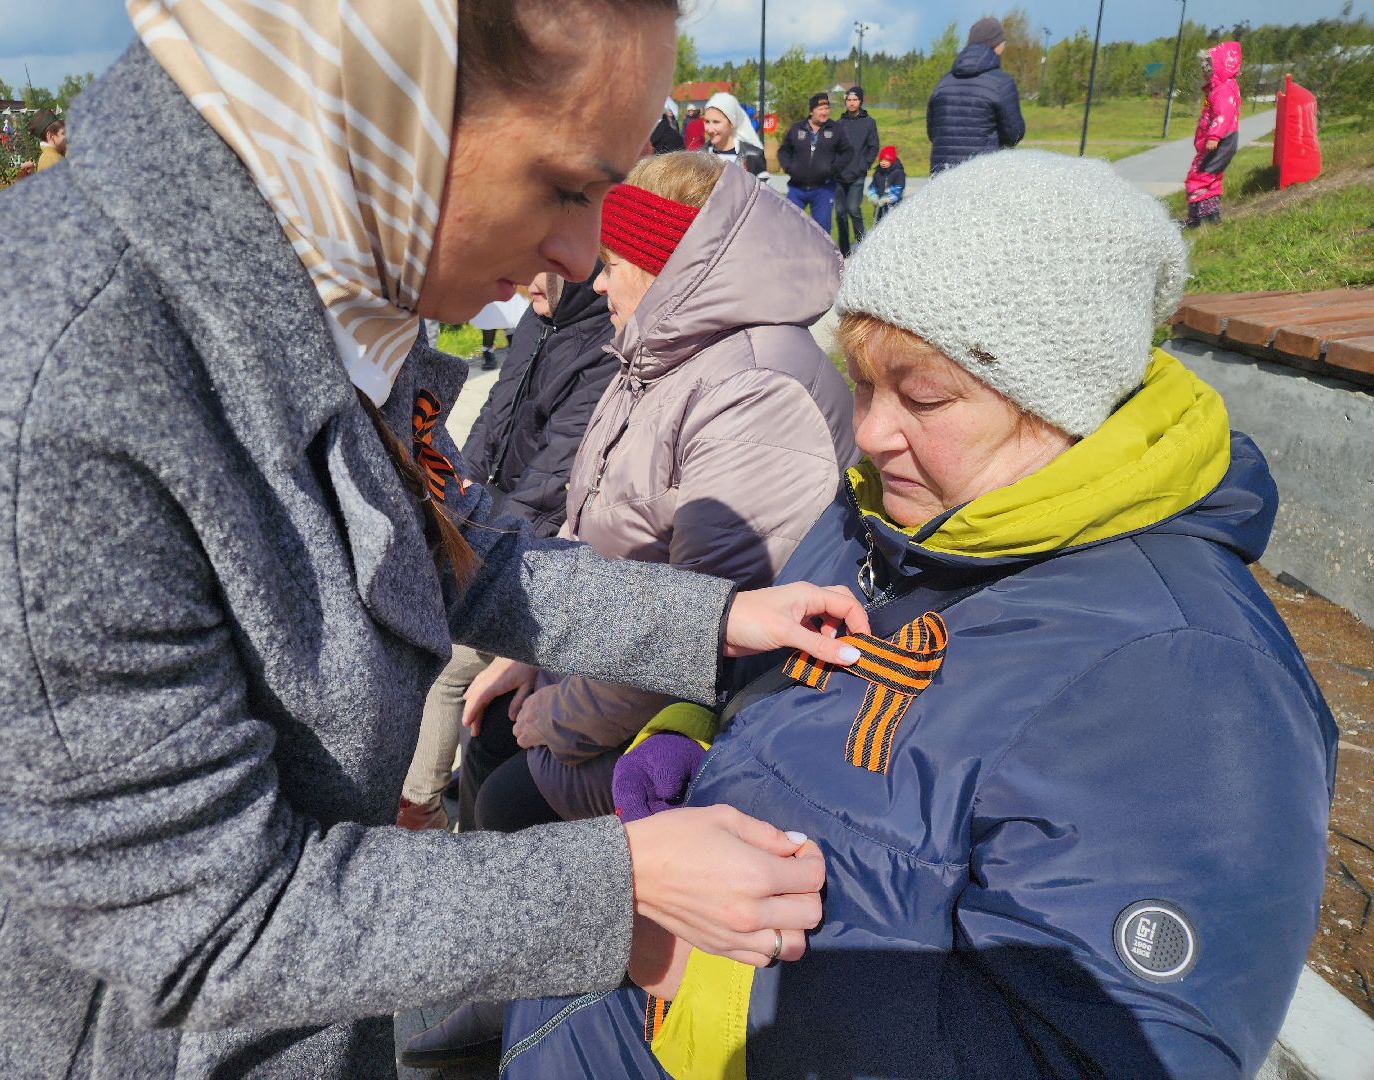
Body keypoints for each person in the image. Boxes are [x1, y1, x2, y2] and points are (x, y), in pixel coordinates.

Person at [0, 2, 878, 1077]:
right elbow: (208, 923)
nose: (581, 256)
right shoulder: (49, 388)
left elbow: (453, 549)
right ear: (390, 103)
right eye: (568, 188)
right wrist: (619, 885)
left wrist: (716, 617)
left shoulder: (337, 285)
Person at [502, 150, 1337, 1080]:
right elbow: (782, 705)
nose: (868, 431)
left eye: (924, 396)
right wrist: (687, 734)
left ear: (1062, 400)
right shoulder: (889, 512)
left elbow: (1093, 1051)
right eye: (861, 382)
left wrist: (706, 976)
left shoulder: (1189, 678)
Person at [403, 148, 854, 1068]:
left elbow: (708, 631)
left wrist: (559, 717)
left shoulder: (747, 387)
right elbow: (587, 532)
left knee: (507, 791)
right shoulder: (656, 357)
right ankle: (507, 994)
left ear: (667, 264)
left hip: (677, 718)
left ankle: (532, 1009)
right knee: (488, 739)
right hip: (608, 667)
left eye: (611, 261)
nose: (591, 278)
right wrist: (527, 655)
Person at [397, 266, 620, 832]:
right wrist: (450, 499)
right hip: (490, 521)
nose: (526, 282)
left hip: (533, 540)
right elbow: (491, 414)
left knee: (447, 661)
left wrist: (476, 539)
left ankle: (419, 807)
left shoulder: (604, 344)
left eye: (546, 272)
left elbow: (553, 475)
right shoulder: (536, 323)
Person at [926, 16, 1025, 173]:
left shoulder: (943, 83)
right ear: (997, 44)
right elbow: (1014, 135)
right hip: (982, 176)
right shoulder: (1001, 83)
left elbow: (933, 133)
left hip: (942, 177)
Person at [776, 91, 854, 234]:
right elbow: (784, 150)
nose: (825, 112)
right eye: (820, 109)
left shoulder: (836, 129)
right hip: (796, 189)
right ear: (811, 111)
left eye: (827, 108)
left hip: (823, 189)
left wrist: (833, 169)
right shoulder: (797, 128)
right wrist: (789, 167)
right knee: (789, 226)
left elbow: (848, 151)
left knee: (821, 231)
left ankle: (820, 250)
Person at [1185, 42, 1242, 229]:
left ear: (1216, 67)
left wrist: (1213, 137)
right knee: (1212, 177)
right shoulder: (1220, 87)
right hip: (1222, 140)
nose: (1203, 71)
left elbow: (1223, 114)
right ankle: (1212, 217)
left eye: (1206, 67)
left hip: (1220, 140)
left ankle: (1197, 218)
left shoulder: (1223, 89)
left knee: (1198, 175)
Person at [833, 85, 879, 257]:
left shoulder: (869, 123)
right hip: (839, 176)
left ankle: (862, 244)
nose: (851, 103)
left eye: (855, 100)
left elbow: (873, 147)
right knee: (840, 213)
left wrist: (863, 166)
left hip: (857, 175)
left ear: (860, 101)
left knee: (853, 209)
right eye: (849, 100)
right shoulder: (839, 124)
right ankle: (844, 250)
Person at [701, 90, 767, 177]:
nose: (709, 129)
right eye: (707, 122)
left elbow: (763, 185)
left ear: (732, 123)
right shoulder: (700, 156)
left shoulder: (753, 155)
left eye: (716, 122)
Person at [868, 143, 905, 223]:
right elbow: (873, 186)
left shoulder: (898, 173)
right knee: (878, 223)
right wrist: (873, 195)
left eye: (886, 160)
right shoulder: (878, 173)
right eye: (881, 160)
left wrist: (888, 198)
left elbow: (898, 188)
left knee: (891, 224)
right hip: (879, 206)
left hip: (893, 207)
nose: (883, 162)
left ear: (892, 160)